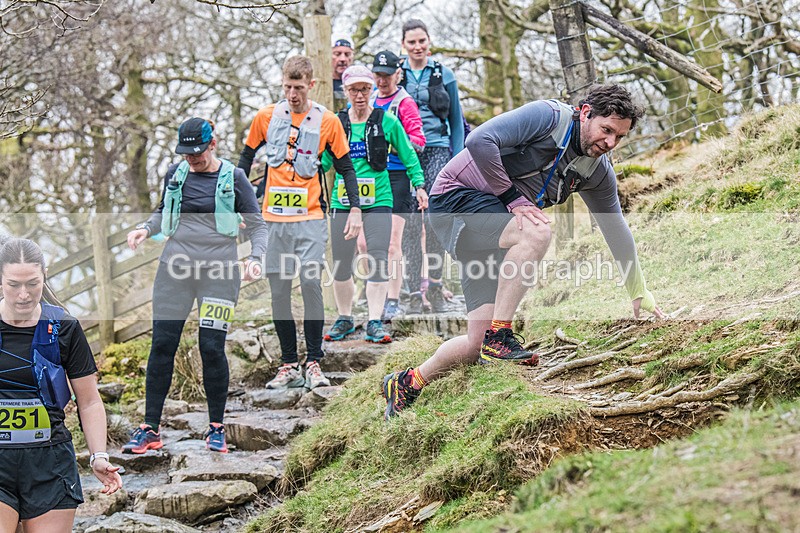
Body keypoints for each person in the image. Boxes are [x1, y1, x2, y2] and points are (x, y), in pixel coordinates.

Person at [382, 84, 667, 419]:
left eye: (619, 137)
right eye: (607, 130)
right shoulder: (548, 117)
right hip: (455, 199)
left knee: (475, 343)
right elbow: (478, 141)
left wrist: (638, 289)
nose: (609, 143)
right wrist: (512, 198)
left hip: (494, 224)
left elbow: (616, 228)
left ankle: (407, 383)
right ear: (586, 112)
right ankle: (501, 335)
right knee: (536, 231)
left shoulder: (597, 171)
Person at [124, 117, 268, 453]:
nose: (192, 158)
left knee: (211, 346)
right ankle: (150, 429)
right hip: (175, 270)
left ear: (212, 144)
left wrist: (256, 257)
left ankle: (216, 427)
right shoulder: (175, 173)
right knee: (162, 344)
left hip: (219, 273)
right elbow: (163, 210)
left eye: (198, 153)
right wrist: (146, 228)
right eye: (187, 153)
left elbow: (259, 226)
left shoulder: (234, 178)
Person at [238, 56, 362, 390]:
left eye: (298, 87)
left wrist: (355, 208)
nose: (293, 94)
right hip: (273, 218)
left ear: (311, 85)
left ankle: (315, 363)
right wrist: (241, 204)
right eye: (287, 87)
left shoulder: (328, 121)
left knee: (310, 283)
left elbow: (346, 168)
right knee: (278, 288)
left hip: (310, 216)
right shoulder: (265, 117)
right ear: (282, 85)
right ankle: (288, 364)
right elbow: (245, 160)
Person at [0, 238, 122, 531]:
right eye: (13, 284)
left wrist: (99, 456)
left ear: (44, 276)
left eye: (32, 283)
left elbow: (90, 401)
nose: (24, 294)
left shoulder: (64, 327)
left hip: (50, 462)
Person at [321, 65, 426, 344]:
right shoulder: (336, 123)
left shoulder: (387, 121)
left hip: (378, 198)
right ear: (345, 91)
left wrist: (419, 185)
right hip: (342, 199)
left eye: (365, 89)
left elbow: (408, 155)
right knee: (342, 261)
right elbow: (325, 161)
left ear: (372, 90)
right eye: (354, 89)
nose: (359, 95)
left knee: (379, 256)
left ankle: (375, 320)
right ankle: (344, 317)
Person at [400, 19, 465, 314]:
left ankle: (436, 285)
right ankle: (414, 290)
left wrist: (459, 157)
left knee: (434, 219)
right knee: (410, 223)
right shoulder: (396, 74)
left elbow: (456, 119)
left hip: (438, 149)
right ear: (403, 44)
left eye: (421, 41)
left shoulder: (444, 74)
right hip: (404, 155)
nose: (417, 47)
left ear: (429, 42)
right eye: (411, 42)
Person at [369, 50, 427, 322]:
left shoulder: (404, 103)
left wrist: (393, 143)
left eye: (387, 75)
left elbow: (419, 141)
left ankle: (393, 300)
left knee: (393, 242)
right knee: (367, 244)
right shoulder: (367, 100)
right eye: (377, 75)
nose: (382, 81)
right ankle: (374, 299)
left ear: (397, 74)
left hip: (398, 176)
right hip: (371, 178)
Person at [332, 36, 355, 110]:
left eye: (347, 54)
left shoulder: (358, 83)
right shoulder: (320, 85)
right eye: (337, 54)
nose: (343, 59)